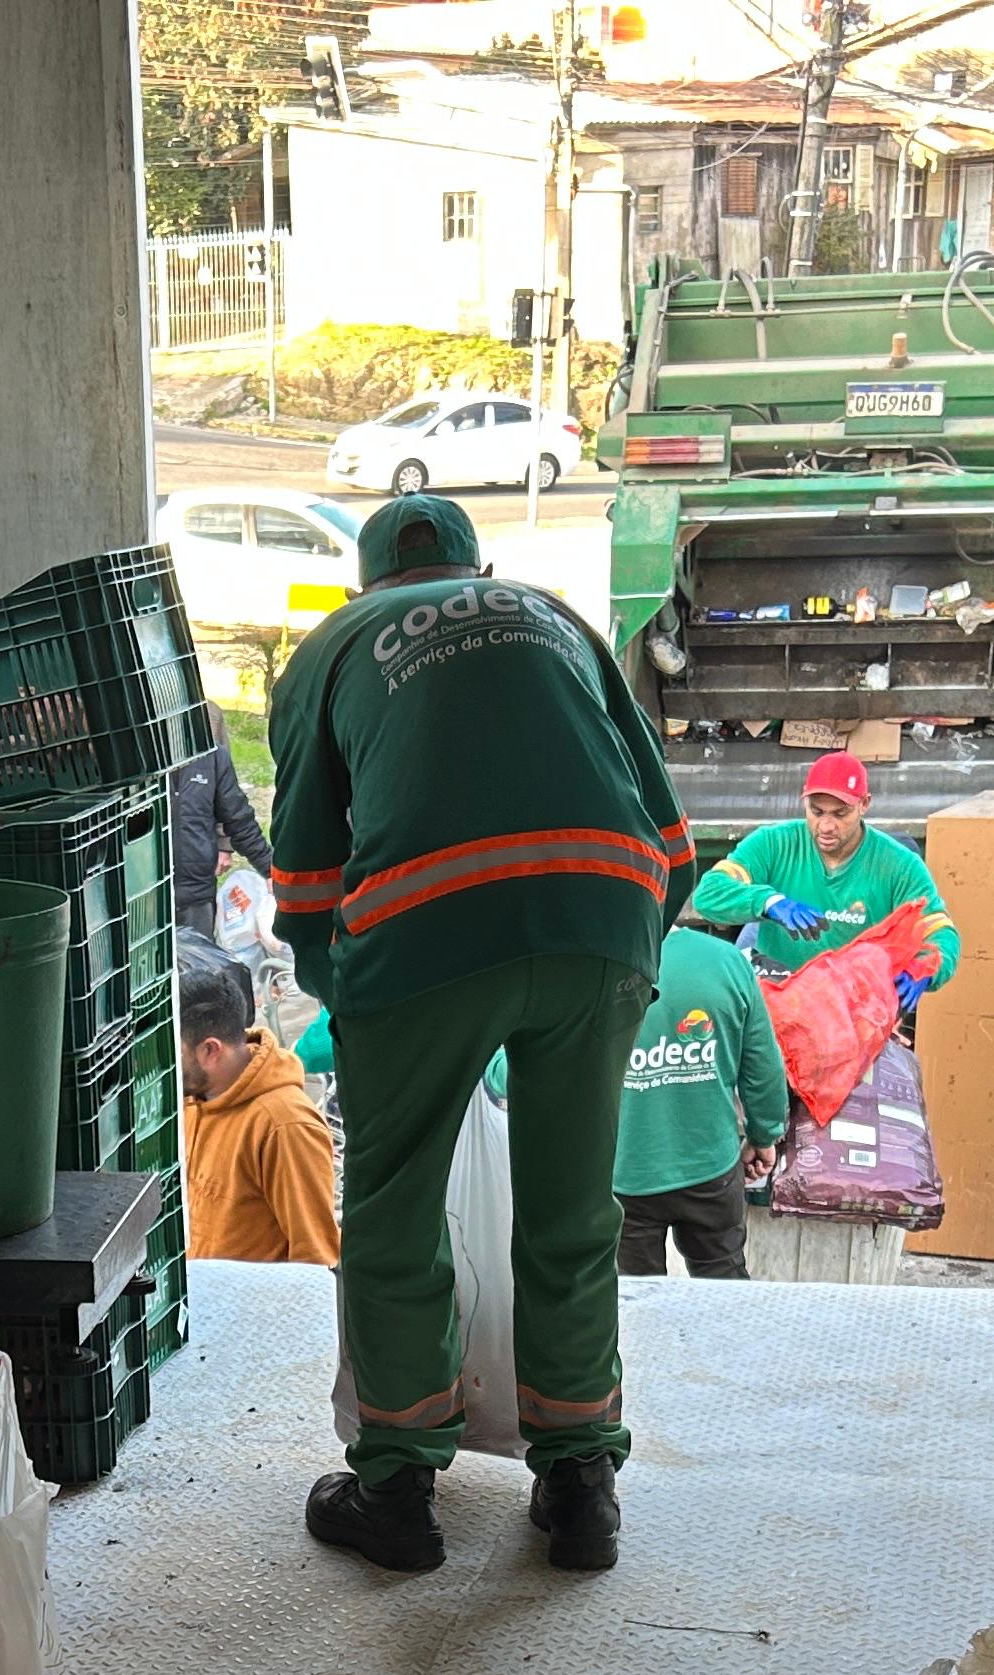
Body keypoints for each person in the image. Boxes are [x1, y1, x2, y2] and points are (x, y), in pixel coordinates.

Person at [268, 492, 694, 1577]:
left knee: (397, 1206)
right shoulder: (558, 618)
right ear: (478, 565)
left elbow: (310, 874)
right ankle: (580, 1481)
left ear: (372, 585)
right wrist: (615, 959)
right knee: (571, 1209)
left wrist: (357, 1001)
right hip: (604, 914)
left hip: (425, 932)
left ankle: (400, 1487)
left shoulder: (331, 649)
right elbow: (670, 833)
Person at [687, 751, 961, 998]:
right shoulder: (774, 843)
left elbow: (939, 930)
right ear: (803, 800)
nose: (827, 826)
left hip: (853, 1009)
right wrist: (769, 903)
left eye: (841, 813)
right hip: (780, 997)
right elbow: (708, 894)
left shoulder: (898, 865)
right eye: (816, 812)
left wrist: (926, 967)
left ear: (864, 804)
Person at [614, 919, 789, 1278]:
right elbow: (763, 1068)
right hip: (711, 1167)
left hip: (625, 1173)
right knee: (724, 1290)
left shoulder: (597, 966)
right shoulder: (725, 961)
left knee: (637, 1301)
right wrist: (763, 1135)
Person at [175, 932, 340, 1265]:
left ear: (210, 1050)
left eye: (177, 1054)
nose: (169, 1066)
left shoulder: (285, 1126)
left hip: (253, 1313)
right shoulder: (195, 1101)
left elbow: (315, 1258)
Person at [168, 737, 274, 936]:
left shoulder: (212, 755)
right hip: (138, 898)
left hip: (195, 894)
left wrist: (270, 868)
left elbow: (238, 819)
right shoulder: (123, 756)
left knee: (200, 963)